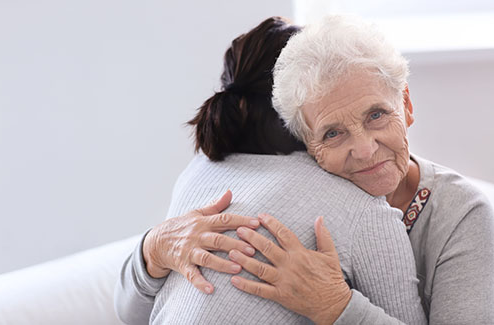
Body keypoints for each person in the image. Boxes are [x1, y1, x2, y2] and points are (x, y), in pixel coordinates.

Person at [114, 17, 426, 324]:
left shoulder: (198, 172)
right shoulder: (360, 208)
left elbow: (130, 314)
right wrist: (336, 306)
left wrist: (150, 250)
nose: (364, 149)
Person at [228, 15, 494, 324]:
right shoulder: (297, 204)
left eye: (376, 115)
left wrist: (335, 307)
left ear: (406, 105)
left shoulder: (466, 216)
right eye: (333, 133)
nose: (366, 149)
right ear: (308, 145)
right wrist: (155, 252)